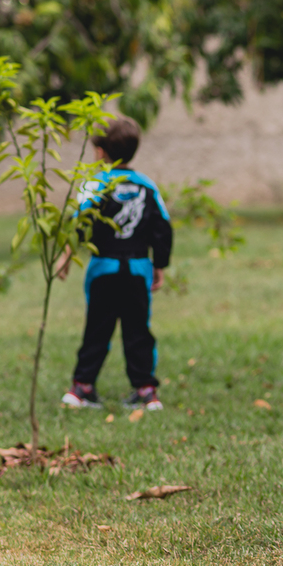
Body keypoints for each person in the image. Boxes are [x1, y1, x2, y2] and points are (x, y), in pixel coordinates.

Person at [57, 116, 174, 412]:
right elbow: (162, 226)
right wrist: (159, 264)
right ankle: (146, 391)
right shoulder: (147, 186)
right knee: (139, 330)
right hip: (138, 270)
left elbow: (79, 221)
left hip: (103, 269)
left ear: (100, 152)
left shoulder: (95, 184)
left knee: (97, 328)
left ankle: (81, 388)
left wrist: (66, 255)